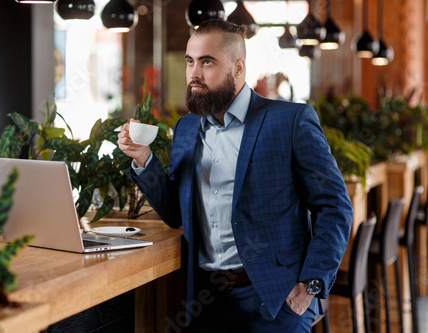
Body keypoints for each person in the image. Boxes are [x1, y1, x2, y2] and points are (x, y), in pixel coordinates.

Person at [117, 19, 353, 333]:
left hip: (275, 299)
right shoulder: (187, 128)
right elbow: (176, 214)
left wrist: (308, 287)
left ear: (238, 68)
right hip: (206, 300)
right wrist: (144, 160)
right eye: (190, 62)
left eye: (207, 62)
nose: (194, 74)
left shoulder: (290, 121)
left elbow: (335, 207)